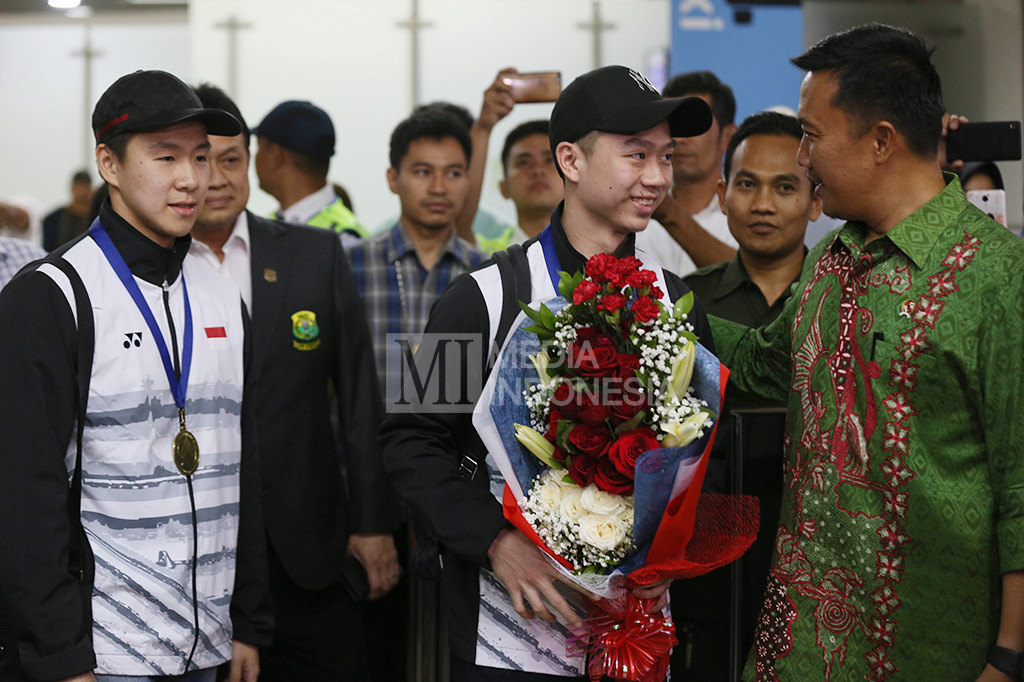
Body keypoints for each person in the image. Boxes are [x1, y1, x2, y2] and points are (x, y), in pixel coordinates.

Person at [707, 24, 1024, 681]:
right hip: (794, 648)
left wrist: (1009, 655)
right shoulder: (831, 258)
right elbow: (768, 363)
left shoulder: (996, 277)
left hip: (932, 650)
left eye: (812, 135)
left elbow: (1021, 482)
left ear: (881, 140)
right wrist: (641, 312)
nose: (801, 158)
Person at [378, 65, 715, 679]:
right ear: (571, 160)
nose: (657, 177)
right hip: (506, 637)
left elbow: (698, 460)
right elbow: (407, 441)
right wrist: (494, 541)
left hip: (635, 640)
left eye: (666, 157)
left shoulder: (679, 304)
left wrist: (671, 556)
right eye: (636, 154)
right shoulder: (477, 297)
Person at [0, 69, 272, 682]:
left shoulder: (223, 296)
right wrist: (59, 657)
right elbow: (23, 496)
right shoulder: (52, 297)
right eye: (165, 156)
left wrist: (250, 622)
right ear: (110, 163)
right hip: (105, 652)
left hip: (214, 644)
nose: (190, 179)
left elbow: (245, 467)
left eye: (200, 157)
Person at [188, 83, 400, 681]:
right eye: (204, 161)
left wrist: (372, 522)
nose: (220, 178)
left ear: (253, 161)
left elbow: (360, 396)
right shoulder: (153, 267)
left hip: (311, 549)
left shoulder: (315, 253)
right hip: (198, 554)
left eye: (232, 160)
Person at [670, 111, 820, 680]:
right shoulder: (683, 304)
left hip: (813, 558)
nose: (763, 203)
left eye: (786, 187)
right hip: (700, 567)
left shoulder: (839, 303)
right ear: (720, 193)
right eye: (747, 184)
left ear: (815, 202)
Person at [637, 70, 739, 276]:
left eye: (695, 126)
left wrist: (670, 214)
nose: (681, 139)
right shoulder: (635, 205)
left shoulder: (746, 210)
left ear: (728, 136)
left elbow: (750, 282)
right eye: (673, 126)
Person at [252, 100, 367, 240]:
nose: (253, 158)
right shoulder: (268, 224)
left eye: (259, 147)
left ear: (276, 156)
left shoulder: (345, 239)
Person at [43, 170, 93, 251]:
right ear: (72, 188)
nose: (83, 192)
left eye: (85, 187)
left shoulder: (97, 218)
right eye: (80, 187)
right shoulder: (53, 219)